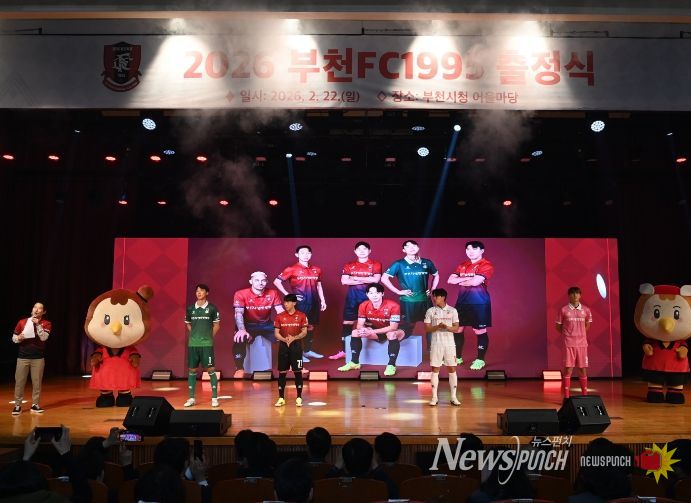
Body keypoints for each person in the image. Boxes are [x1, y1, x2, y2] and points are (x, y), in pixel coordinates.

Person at [337, 283, 405, 376]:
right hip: (378, 328)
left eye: (377, 293)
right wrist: (364, 329)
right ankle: (354, 362)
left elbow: (393, 327)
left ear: (382, 294)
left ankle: (391, 365)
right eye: (371, 293)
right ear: (367, 294)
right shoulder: (363, 305)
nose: (374, 296)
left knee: (391, 334)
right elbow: (359, 325)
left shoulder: (393, 305)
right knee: (355, 332)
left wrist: (371, 331)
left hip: (398, 328)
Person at [330, 241, 382, 360]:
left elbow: (376, 280)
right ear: (355, 251)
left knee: (370, 323)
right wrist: (367, 278)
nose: (362, 251)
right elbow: (344, 281)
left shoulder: (376, 264)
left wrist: (354, 277)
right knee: (347, 323)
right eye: (359, 249)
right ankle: (344, 351)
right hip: (352, 298)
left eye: (365, 249)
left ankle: (370, 352)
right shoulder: (349, 265)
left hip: (370, 299)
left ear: (369, 251)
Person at [274, 245, 327, 363]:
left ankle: (307, 351)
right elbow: (276, 282)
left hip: (313, 302)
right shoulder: (291, 269)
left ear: (311, 255)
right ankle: (297, 354)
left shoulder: (317, 269)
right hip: (300, 303)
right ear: (297, 255)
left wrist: (323, 300)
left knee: (310, 326)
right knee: (297, 328)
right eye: (302, 253)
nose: (305, 255)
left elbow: (319, 285)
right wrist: (289, 295)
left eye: (308, 253)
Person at [381, 240, 439, 344]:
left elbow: (436, 275)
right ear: (404, 250)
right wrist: (398, 291)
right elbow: (384, 278)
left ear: (418, 248)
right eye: (408, 246)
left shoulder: (427, 262)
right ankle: (394, 345)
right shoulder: (399, 264)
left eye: (414, 246)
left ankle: (432, 351)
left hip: (425, 300)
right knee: (408, 326)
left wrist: (433, 289)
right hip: (408, 301)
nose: (411, 248)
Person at [447, 241, 494, 371]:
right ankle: (457, 358)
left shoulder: (486, 265)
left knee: (479, 331)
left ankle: (480, 360)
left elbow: (475, 282)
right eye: (468, 249)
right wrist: (468, 279)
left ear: (482, 251)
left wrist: (460, 280)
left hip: (479, 303)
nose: (470, 251)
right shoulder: (463, 265)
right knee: (457, 329)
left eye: (474, 249)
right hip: (462, 302)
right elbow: (450, 280)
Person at [232, 271, 284, 378]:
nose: (260, 283)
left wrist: (288, 325)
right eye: (257, 280)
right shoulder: (240, 294)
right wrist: (241, 329)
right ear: (251, 281)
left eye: (263, 280)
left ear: (266, 282)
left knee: (288, 336)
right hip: (248, 325)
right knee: (240, 339)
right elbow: (238, 313)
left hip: (266, 324)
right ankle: (239, 368)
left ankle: (290, 364)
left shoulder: (273, 293)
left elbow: (280, 311)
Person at [184, 283, 220, 407]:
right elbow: (188, 324)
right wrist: (194, 334)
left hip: (206, 344)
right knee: (192, 370)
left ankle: (214, 398)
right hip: (193, 344)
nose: (199, 293)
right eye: (197, 291)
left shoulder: (212, 308)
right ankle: (191, 398)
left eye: (202, 291)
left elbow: (216, 325)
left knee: (211, 370)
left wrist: (209, 337)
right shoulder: (190, 308)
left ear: (207, 293)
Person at [12, 302, 51, 415]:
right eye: (35, 307)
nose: (36, 310)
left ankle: (35, 405)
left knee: (37, 383)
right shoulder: (22, 322)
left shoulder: (46, 323)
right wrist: (18, 338)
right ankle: (17, 405)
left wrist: (38, 324)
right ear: (32, 309)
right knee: (19, 382)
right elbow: (14, 337)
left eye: (40, 308)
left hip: (38, 358)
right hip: (23, 357)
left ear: (44, 312)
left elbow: (43, 338)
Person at [424, 289, 461, 406]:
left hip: (449, 344)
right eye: (434, 297)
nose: (434, 299)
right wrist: (437, 327)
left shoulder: (452, 310)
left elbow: (456, 328)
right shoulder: (430, 311)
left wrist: (447, 327)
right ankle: (434, 397)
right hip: (436, 344)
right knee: (435, 369)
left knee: (452, 369)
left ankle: (453, 397)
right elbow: (427, 328)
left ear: (443, 297)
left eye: (436, 296)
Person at [556, 286, 592, 398]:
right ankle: (566, 396)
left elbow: (588, 324)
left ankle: (585, 395)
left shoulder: (586, 310)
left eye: (577, 293)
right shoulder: (563, 310)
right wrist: (568, 335)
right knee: (568, 369)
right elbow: (558, 326)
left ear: (580, 295)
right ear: (569, 296)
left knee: (582, 369)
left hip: (582, 344)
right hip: (568, 343)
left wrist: (580, 334)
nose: (575, 295)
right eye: (573, 293)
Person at [273, 294, 308, 407]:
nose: (286, 304)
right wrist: (284, 339)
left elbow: (304, 332)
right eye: (285, 302)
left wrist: (294, 338)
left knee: (298, 372)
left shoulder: (302, 315)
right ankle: (281, 398)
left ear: (294, 303)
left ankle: (299, 397)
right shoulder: (279, 316)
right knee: (282, 372)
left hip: (297, 348)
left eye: (288, 302)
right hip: (283, 347)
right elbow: (276, 333)